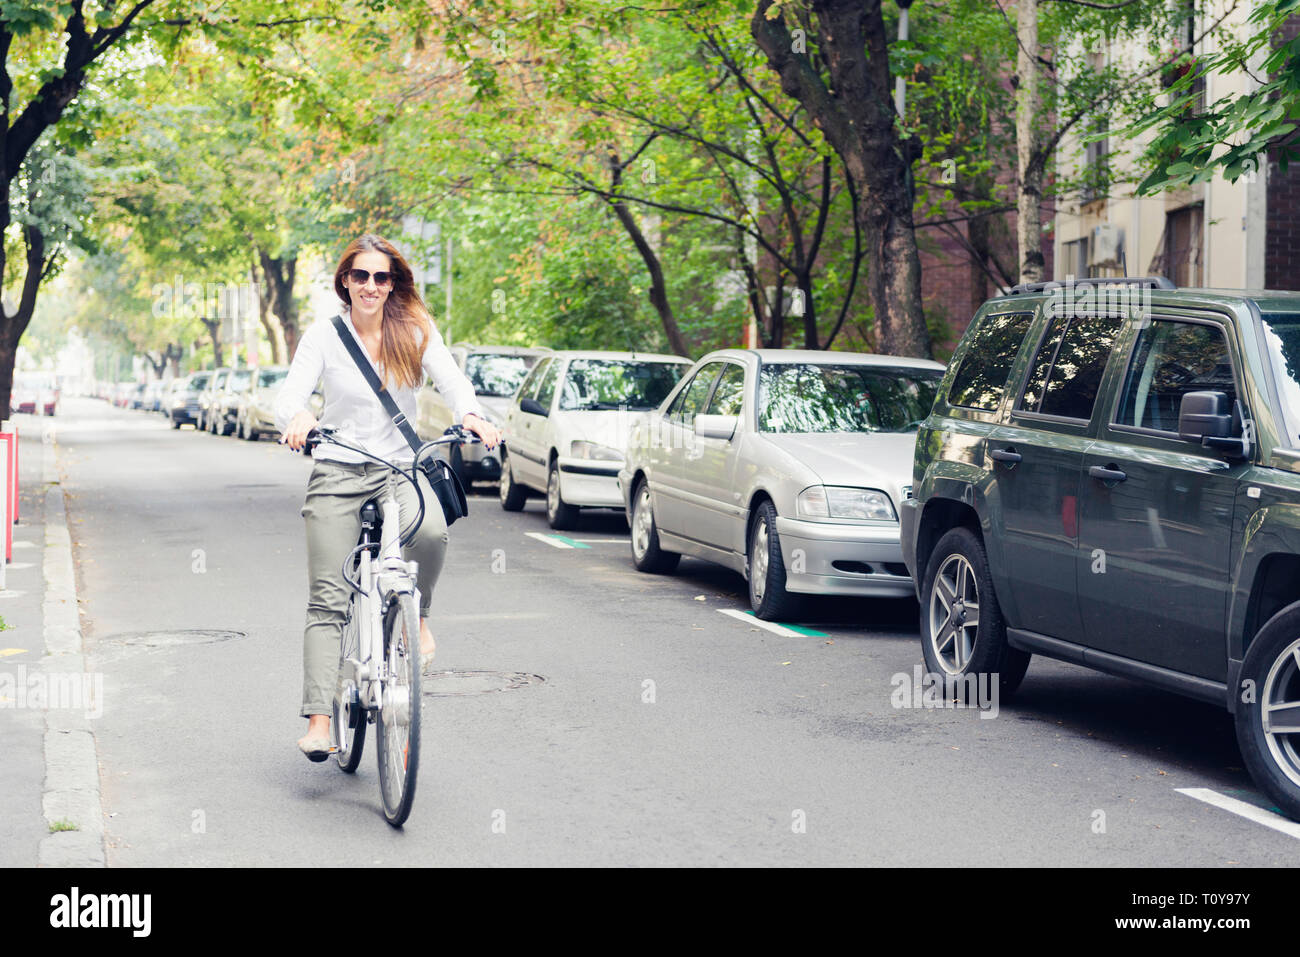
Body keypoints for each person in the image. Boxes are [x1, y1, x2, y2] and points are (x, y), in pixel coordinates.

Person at [275, 233, 501, 760]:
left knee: (431, 532)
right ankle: (319, 720)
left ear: (393, 282)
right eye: (361, 276)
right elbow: (289, 397)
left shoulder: (415, 330)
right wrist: (300, 418)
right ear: (345, 282)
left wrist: (470, 414)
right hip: (337, 470)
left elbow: (452, 380)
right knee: (328, 599)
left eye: (381, 276)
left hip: (400, 467)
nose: (371, 286)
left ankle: (418, 617)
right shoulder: (324, 337)